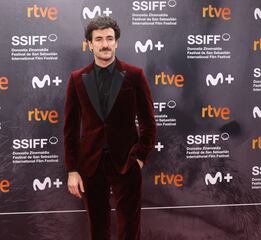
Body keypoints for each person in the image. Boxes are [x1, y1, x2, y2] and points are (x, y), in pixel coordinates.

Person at [63, 16, 156, 240]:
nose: (105, 44)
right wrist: (72, 169)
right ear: (90, 44)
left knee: (129, 226)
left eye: (109, 38)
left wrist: (139, 158)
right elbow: (70, 128)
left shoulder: (135, 76)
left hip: (126, 162)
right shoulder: (77, 79)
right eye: (99, 39)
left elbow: (148, 123)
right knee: (98, 226)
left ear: (116, 42)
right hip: (90, 164)